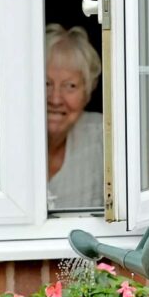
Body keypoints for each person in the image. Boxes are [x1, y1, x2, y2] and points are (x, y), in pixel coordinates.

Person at [44, 23, 103, 209]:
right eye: (46, 83)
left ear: (86, 92)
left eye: (70, 86)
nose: (55, 99)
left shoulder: (104, 137)